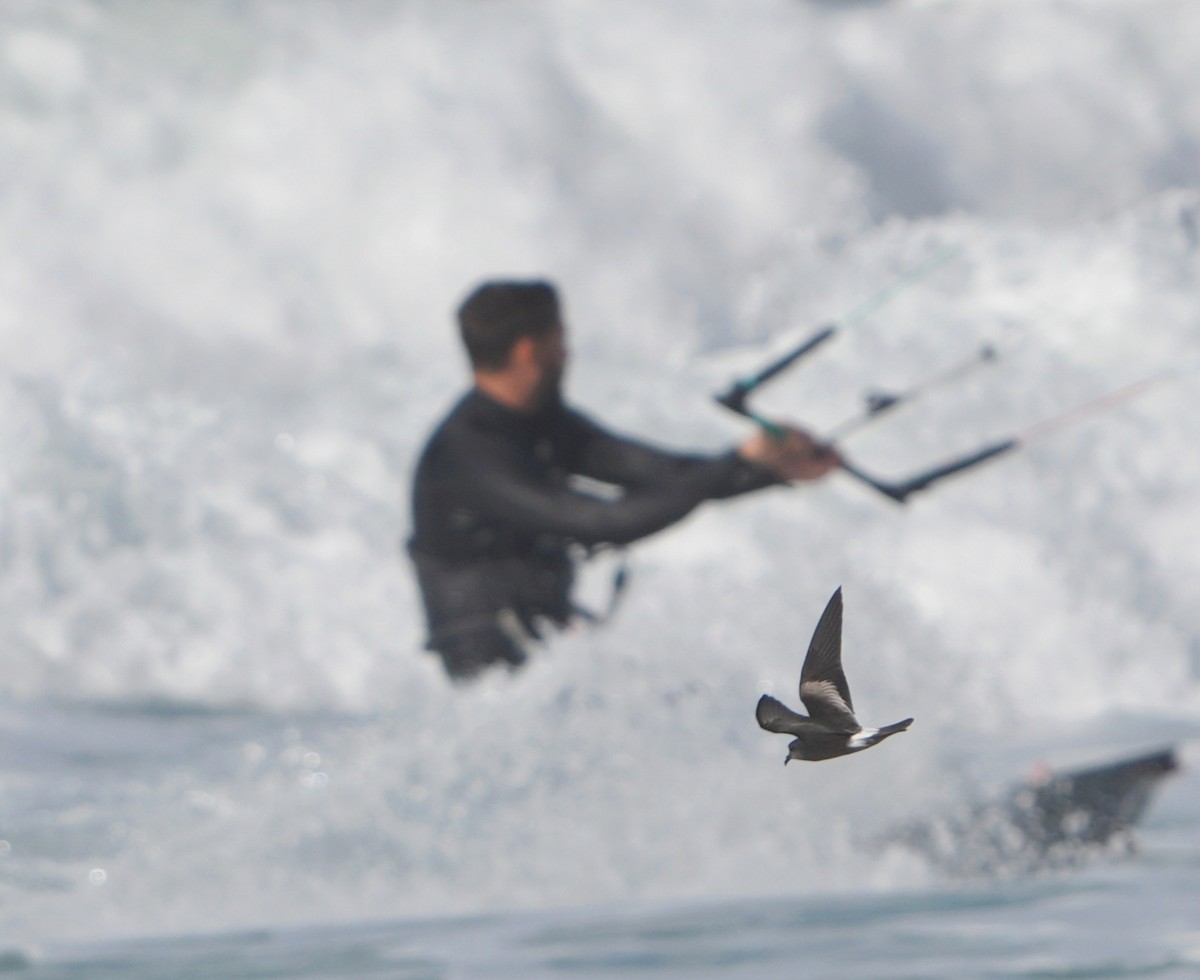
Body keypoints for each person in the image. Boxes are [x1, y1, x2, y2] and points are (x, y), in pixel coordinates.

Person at [407, 279, 840, 681]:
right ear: (527, 351)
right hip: (484, 684)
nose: (567, 354)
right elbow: (606, 522)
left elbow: (660, 475)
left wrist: (770, 470)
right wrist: (736, 463)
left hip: (544, 657)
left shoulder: (540, 423)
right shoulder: (469, 458)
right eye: (560, 342)